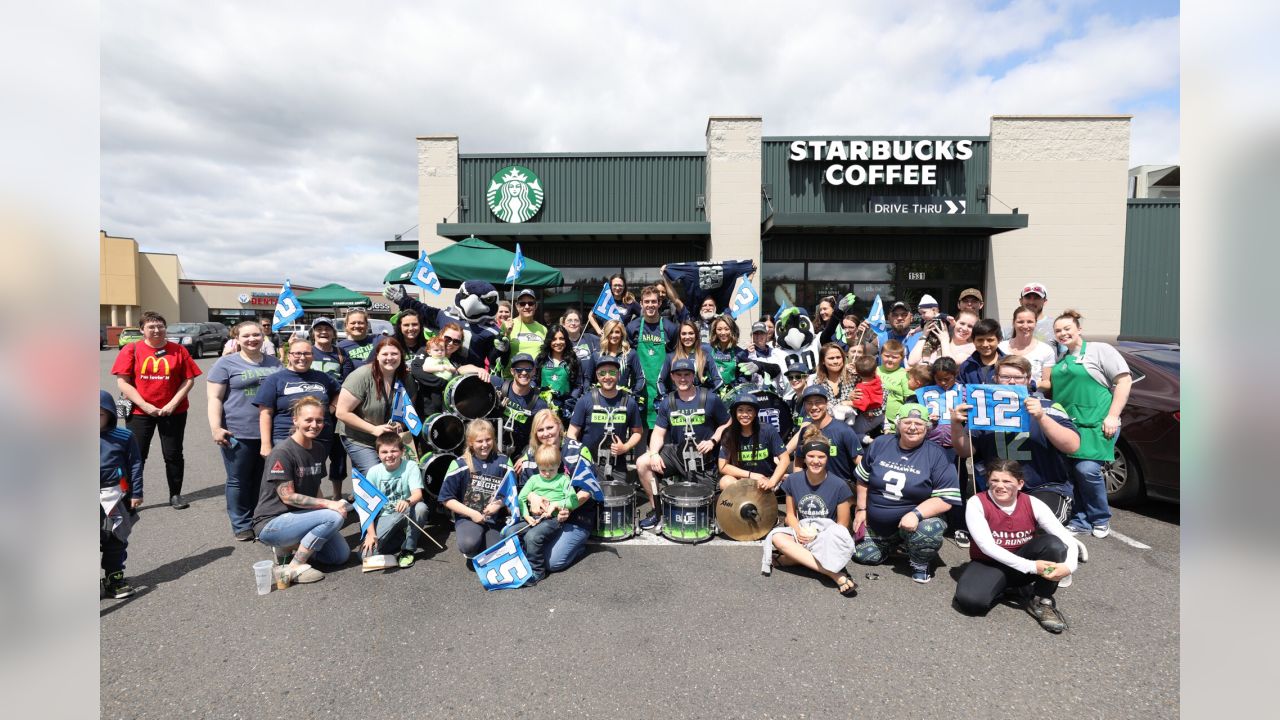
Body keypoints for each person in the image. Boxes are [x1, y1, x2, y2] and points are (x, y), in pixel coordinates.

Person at [951, 355, 1082, 526]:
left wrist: (1041, 417)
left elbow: (1072, 446)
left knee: (1042, 526)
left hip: (1044, 487)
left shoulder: (1049, 406)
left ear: (1028, 380)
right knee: (989, 528)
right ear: (995, 379)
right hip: (1000, 487)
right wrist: (955, 425)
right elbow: (965, 451)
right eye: (1005, 377)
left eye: (1018, 377)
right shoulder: (984, 411)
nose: (1011, 382)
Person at [952, 459, 1075, 633]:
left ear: (1020, 484)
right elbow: (987, 547)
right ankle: (1007, 587)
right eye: (994, 481)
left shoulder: (1033, 503)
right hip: (990, 563)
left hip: (1025, 563)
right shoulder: (976, 502)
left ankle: (1042, 599)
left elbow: (1066, 538)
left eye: (1007, 481)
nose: (1000, 486)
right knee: (971, 603)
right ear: (988, 481)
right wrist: (1032, 566)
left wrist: (1069, 567)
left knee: (1054, 545)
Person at [1044, 310, 1132, 539]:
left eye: (1067, 329)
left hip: (1097, 424)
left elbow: (1124, 381)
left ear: (1078, 329)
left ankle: (1101, 518)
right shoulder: (1061, 360)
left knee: (1087, 470)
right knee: (1073, 474)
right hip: (1069, 426)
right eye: (1058, 331)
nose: (1063, 334)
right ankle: (1080, 520)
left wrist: (1113, 416)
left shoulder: (1099, 350)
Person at [852, 403, 961, 583]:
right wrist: (861, 509)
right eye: (907, 422)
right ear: (898, 424)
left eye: (918, 423)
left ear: (927, 426)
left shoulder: (936, 454)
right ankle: (894, 544)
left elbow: (945, 498)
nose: (912, 427)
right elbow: (863, 479)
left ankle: (920, 562)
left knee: (929, 529)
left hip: (913, 520)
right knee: (863, 556)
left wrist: (916, 514)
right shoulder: (880, 443)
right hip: (877, 522)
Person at [252, 396, 353, 586]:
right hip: (272, 522)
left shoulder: (319, 449)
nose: (314, 425)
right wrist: (330, 506)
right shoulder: (282, 452)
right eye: (308, 420)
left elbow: (315, 488)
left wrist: (328, 508)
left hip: (299, 519)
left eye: (319, 420)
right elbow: (287, 496)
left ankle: (290, 547)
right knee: (334, 516)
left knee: (339, 555)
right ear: (295, 420)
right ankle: (294, 566)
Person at [112, 310, 202, 510]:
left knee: (173, 454)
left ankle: (175, 494)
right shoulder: (131, 349)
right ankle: (131, 496)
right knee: (136, 454)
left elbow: (189, 379)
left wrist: (172, 404)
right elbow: (123, 383)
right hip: (139, 413)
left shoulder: (178, 350)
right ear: (142, 330)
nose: (156, 330)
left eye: (160, 326)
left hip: (173, 412)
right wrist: (145, 405)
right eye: (151, 327)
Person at [203, 321, 283, 539]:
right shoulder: (225, 364)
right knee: (238, 479)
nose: (252, 339)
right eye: (246, 336)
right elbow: (214, 398)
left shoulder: (275, 363)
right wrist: (216, 428)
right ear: (236, 339)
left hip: (270, 432)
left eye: (256, 335)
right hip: (238, 431)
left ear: (263, 337)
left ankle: (260, 517)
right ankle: (241, 524)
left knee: (263, 478)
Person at [636, 358, 731, 530]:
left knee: (702, 514)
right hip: (678, 455)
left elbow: (727, 422)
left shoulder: (710, 398)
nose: (683, 378)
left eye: (687, 374)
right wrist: (654, 453)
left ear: (693, 375)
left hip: (703, 460)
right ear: (672, 376)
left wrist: (713, 440)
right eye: (678, 375)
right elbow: (658, 432)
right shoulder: (668, 401)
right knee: (643, 463)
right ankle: (657, 511)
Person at [762, 435, 858, 596]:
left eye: (821, 456)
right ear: (804, 458)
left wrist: (818, 537)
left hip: (826, 536)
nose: (816, 461)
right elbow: (790, 516)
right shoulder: (793, 480)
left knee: (836, 535)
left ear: (827, 458)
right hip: (802, 532)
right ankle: (833, 573)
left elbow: (842, 525)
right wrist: (798, 530)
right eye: (811, 456)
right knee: (777, 537)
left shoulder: (839, 485)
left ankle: (793, 559)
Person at [513, 409, 595, 572]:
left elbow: (588, 490)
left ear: (559, 427)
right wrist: (532, 497)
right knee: (519, 545)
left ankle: (578, 547)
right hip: (543, 517)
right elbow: (523, 487)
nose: (546, 433)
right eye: (540, 430)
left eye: (550, 427)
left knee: (552, 563)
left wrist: (567, 507)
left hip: (575, 516)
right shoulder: (530, 453)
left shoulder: (578, 451)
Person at [335, 336, 413, 476]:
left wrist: (400, 424)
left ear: (401, 356)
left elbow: (408, 409)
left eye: (394, 353)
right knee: (376, 473)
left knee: (400, 473)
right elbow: (341, 412)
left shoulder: (406, 378)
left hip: (388, 439)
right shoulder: (361, 376)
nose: (390, 358)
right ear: (377, 356)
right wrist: (373, 429)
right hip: (359, 438)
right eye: (385, 354)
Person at [438, 420, 513, 559]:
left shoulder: (504, 461)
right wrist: (472, 513)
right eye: (479, 441)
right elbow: (446, 498)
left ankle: (486, 542)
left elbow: (512, 492)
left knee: (496, 553)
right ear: (470, 442)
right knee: (469, 544)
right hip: (468, 518)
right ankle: (473, 545)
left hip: (495, 518)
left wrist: (498, 505)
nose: (485, 445)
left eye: (488, 439)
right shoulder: (459, 464)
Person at [255, 339, 341, 459]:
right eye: (297, 353)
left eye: (307, 353)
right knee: (287, 475)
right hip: (285, 436)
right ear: (289, 356)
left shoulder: (323, 377)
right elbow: (265, 413)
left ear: (312, 356)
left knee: (313, 474)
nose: (302, 357)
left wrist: (331, 408)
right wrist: (265, 444)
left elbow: (340, 392)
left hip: (320, 437)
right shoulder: (274, 379)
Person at [568, 355, 643, 483]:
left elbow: (637, 432)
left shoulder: (629, 402)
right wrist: (579, 456)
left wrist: (625, 447)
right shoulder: (585, 400)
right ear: (597, 376)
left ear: (618, 375)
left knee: (617, 500)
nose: (607, 377)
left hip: (616, 465)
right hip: (589, 463)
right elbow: (571, 433)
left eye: (612, 372)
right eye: (602, 373)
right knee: (588, 500)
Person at [358, 432, 429, 568]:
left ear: (402, 451)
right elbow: (367, 507)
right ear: (378, 454)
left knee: (421, 508)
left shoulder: (410, 466)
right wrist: (371, 533)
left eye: (394, 451)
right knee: (365, 556)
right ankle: (404, 536)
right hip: (384, 517)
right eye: (384, 452)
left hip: (406, 512)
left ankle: (408, 549)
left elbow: (418, 494)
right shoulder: (373, 472)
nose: (389, 455)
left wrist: (407, 501)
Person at [517, 444, 582, 585]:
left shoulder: (563, 480)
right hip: (534, 517)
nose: (547, 473)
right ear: (538, 466)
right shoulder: (534, 479)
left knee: (532, 537)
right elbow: (521, 498)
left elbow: (574, 501)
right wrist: (526, 515)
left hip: (553, 519)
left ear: (558, 465)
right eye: (543, 470)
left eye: (551, 470)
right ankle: (521, 563)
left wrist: (557, 504)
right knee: (509, 532)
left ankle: (537, 571)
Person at [100, 390, 144, 599]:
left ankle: (114, 577)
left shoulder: (124, 436)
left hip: (115, 495)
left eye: (99, 414)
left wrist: (136, 492)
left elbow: (135, 464)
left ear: (109, 413)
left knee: (116, 537)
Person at [308, 317, 351, 500]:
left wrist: (334, 406)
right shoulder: (306, 352)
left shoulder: (341, 354)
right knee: (311, 456)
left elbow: (348, 384)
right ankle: (313, 495)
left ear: (334, 333)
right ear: (313, 333)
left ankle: (336, 495)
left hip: (335, 414)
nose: (323, 332)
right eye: (319, 329)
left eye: (327, 328)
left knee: (338, 456)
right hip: (309, 414)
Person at [783, 385, 861, 482]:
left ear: (827, 404)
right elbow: (798, 462)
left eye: (818, 402)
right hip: (815, 489)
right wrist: (798, 483)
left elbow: (860, 462)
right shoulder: (805, 431)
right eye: (809, 403)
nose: (814, 407)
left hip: (842, 490)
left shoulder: (843, 430)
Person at [627, 285, 680, 428]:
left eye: (653, 301)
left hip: (663, 389)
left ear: (660, 303)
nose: (650, 305)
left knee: (664, 436)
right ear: (642, 303)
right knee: (639, 435)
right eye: (647, 301)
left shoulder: (671, 328)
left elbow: (675, 358)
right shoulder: (632, 327)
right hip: (640, 391)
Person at [717, 393, 789, 491]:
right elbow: (723, 466)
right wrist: (751, 475)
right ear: (735, 413)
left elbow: (785, 459)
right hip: (742, 482)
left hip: (766, 480)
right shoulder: (728, 434)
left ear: (755, 413)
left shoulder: (768, 430)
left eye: (749, 410)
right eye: (740, 410)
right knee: (725, 481)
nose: (745, 414)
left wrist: (771, 482)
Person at [492, 353, 550, 456]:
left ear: (534, 371)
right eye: (519, 369)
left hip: (520, 455)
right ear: (512, 371)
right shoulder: (498, 386)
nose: (523, 372)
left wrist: (525, 458)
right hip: (492, 449)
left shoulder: (540, 405)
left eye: (528, 369)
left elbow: (542, 437)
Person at [657, 319, 722, 399]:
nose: (687, 337)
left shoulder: (705, 356)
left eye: (691, 333)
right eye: (684, 334)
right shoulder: (670, 357)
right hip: (677, 404)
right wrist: (667, 399)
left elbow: (718, 380)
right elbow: (660, 381)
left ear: (696, 335)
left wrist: (707, 396)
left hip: (700, 403)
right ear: (679, 336)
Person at [535, 324, 585, 425]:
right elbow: (534, 380)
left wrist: (569, 402)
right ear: (549, 341)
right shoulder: (541, 359)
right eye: (554, 339)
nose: (558, 342)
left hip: (565, 409)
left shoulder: (574, 360)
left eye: (561, 339)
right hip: (542, 408)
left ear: (566, 340)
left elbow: (578, 385)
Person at [999, 305, 1057, 389]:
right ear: (1013, 323)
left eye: (1030, 322)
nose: (1025, 326)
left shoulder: (1046, 350)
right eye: (1020, 322)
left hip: (1033, 398)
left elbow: (1047, 383)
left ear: (1035, 323)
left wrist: (1034, 384)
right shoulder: (1001, 347)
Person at [593, 319, 646, 398]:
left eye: (617, 332)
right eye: (611, 331)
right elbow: (587, 379)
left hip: (622, 400)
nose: (614, 335)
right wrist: (592, 396)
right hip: (600, 399)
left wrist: (633, 395)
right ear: (606, 333)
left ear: (622, 334)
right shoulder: (597, 355)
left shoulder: (631, 354)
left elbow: (641, 378)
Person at [499, 288, 548, 372]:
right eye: (522, 304)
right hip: (511, 379)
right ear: (517, 306)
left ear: (535, 306)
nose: (527, 306)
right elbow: (498, 352)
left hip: (535, 379)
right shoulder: (507, 325)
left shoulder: (543, 329)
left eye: (530, 303)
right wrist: (506, 334)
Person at [909, 309, 977, 367]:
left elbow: (949, 365)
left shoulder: (972, 348)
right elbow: (912, 362)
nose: (965, 328)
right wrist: (924, 335)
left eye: (970, 326)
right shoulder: (938, 338)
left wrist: (944, 341)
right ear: (955, 322)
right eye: (962, 323)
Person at [811, 343, 857, 423]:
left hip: (856, 425)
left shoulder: (854, 377)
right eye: (831, 358)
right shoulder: (818, 382)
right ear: (823, 361)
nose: (835, 361)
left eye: (838, 357)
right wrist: (847, 399)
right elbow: (822, 407)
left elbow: (867, 399)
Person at [1004, 282, 1057, 346]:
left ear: (1044, 301)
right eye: (1028, 297)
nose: (1031, 302)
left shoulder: (1055, 326)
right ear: (1021, 301)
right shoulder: (1007, 329)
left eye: (1036, 298)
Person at [957, 318, 1006, 386]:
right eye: (980, 340)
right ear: (973, 341)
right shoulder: (966, 367)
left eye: (990, 340)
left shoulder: (1009, 364)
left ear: (999, 340)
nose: (985, 345)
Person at [850, 353, 885, 445]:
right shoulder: (878, 380)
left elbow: (862, 404)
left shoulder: (861, 387)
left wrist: (849, 402)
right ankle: (886, 426)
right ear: (875, 371)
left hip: (870, 417)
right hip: (881, 414)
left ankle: (869, 440)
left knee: (852, 433)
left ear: (857, 372)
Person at [708, 315, 748, 389]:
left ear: (732, 330)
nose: (723, 333)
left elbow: (744, 377)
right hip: (710, 393)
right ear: (714, 331)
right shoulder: (708, 349)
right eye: (719, 329)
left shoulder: (740, 353)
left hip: (731, 395)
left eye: (726, 329)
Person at [743, 321, 787, 389]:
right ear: (752, 335)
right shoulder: (745, 354)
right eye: (756, 333)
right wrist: (751, 355)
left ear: (766, 335)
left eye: (762, 333)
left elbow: (781, 375)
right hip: (757, 394)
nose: (759, 336)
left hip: (775, 395)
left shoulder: (775, 352)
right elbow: (750, 377)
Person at [878, 340, 911, 428]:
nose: (890, 359)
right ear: (881, 355)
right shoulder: (874, 371)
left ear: (902, 358)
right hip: (873, 423)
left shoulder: (904, 374)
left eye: (894, 357)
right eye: (887, 356)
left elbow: (910, 400)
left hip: (894, 425)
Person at [338, 309, 376, 375]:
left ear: (367, 324)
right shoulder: (339, 347)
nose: (357, 326)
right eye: (353, 323)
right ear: (346, 325)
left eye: (360, 323)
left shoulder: (378, 339)